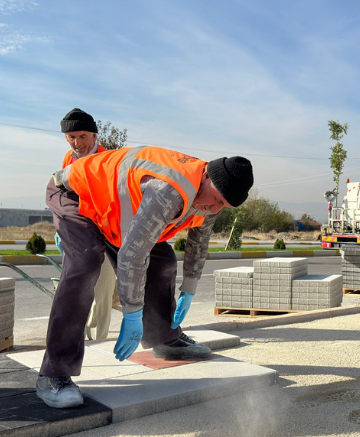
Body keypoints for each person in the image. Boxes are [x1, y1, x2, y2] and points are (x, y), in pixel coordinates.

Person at [36, 145, 253, 409]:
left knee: (162, 260)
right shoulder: (169, 190)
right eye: (217, 200)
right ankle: (53, 373)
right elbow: (133, 255)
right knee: (85, 262)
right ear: (207, 176)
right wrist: (132, 313)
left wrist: (190, 287)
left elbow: (199, 242)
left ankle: (164, 338)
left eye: (223, 206)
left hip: (113, 210)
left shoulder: (210, 199)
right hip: (77, 194)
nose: (214, 208)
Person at [57, 108, 114, 341]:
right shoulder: (68, 159)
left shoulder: (108, 161)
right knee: (74, 288)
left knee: (101, 291)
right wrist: (62, 227)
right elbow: (64, 194)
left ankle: (98, 342)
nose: (77, 142)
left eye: (82, 136)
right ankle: (74, 339)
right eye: (71, 137)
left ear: (94, 136)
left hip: (105, 233)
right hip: (75, 232)